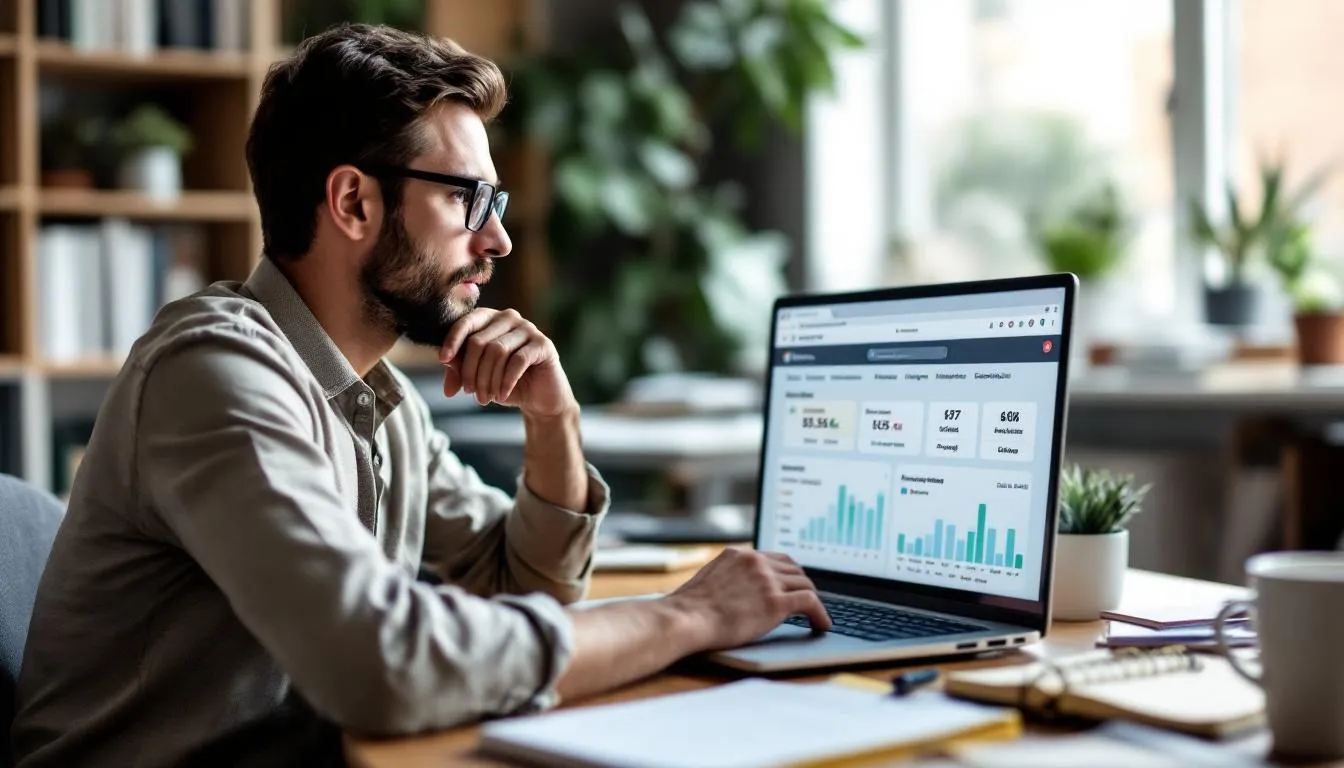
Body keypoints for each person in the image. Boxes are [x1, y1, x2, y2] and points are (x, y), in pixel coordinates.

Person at [9, 23, 830, 768]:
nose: (498, 239)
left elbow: (523, 594)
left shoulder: (375, 395)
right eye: (467, 199)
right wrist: (687, 618)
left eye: (495, 204)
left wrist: (555, 422)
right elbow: (380, 665)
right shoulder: (215, 372)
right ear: (354, 202)